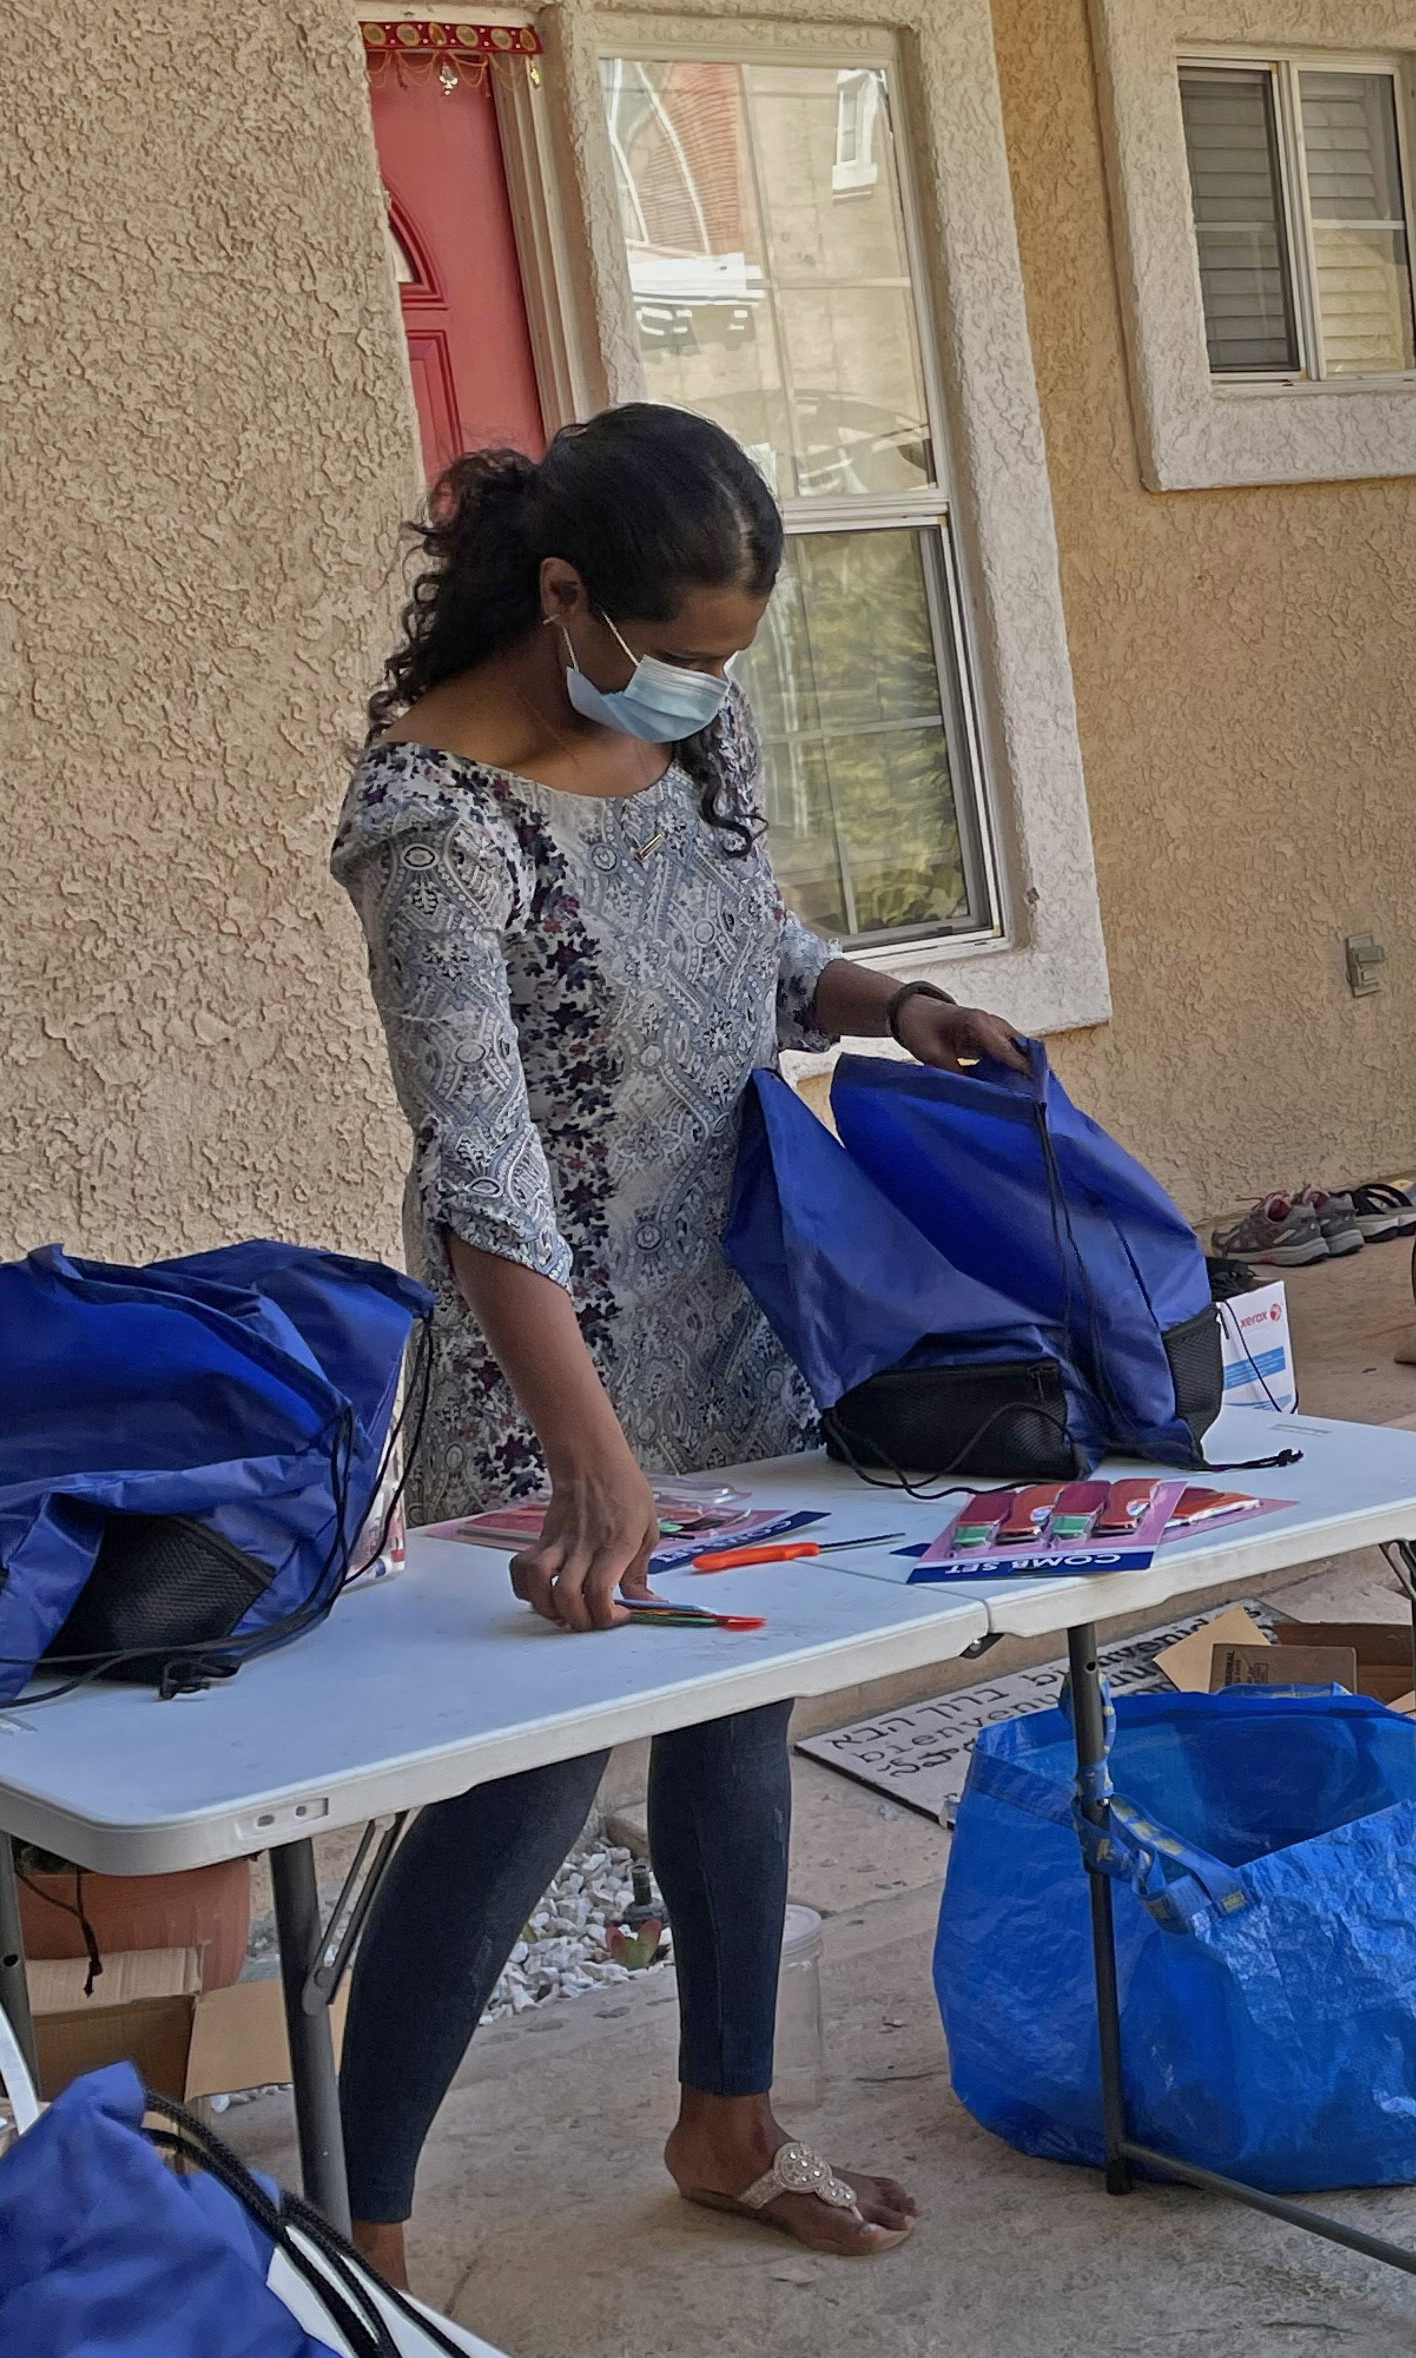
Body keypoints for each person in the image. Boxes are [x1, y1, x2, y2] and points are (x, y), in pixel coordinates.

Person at [330, 404, 1026, 2284]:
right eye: (686, 656)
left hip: (730, 1320)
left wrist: (904, 999)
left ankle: (727, 2117)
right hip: (545, 1361)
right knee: (532, 1771)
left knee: (737, 1706)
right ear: (566, 598)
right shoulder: (432, 820)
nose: (714, 696)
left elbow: (757, 947)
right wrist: (588, 1450)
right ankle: (362, 2239)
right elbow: (477, 1163)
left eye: (736, 658)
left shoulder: (684, 740)